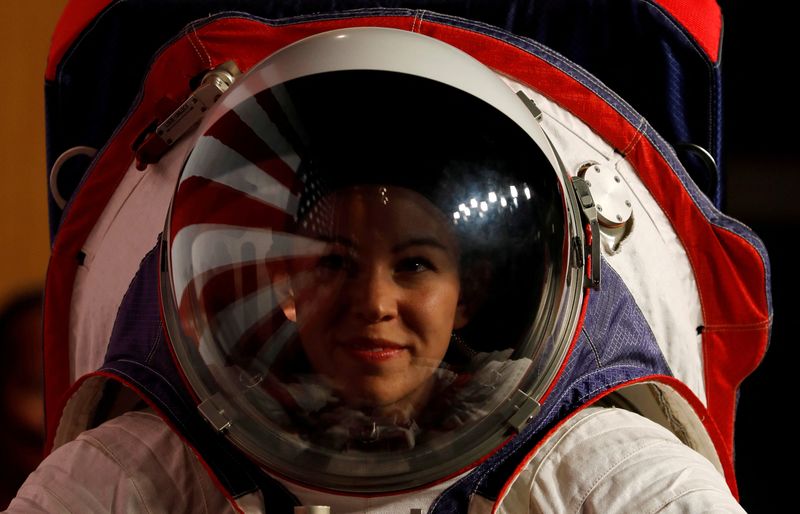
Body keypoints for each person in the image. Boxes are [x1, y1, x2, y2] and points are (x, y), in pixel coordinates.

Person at [6, 27, 747, 513]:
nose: (374, 301)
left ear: (468, 296)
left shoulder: (590, 466)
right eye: (335, 263)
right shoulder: (150, 464)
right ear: (292, 287)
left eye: (415, 265)